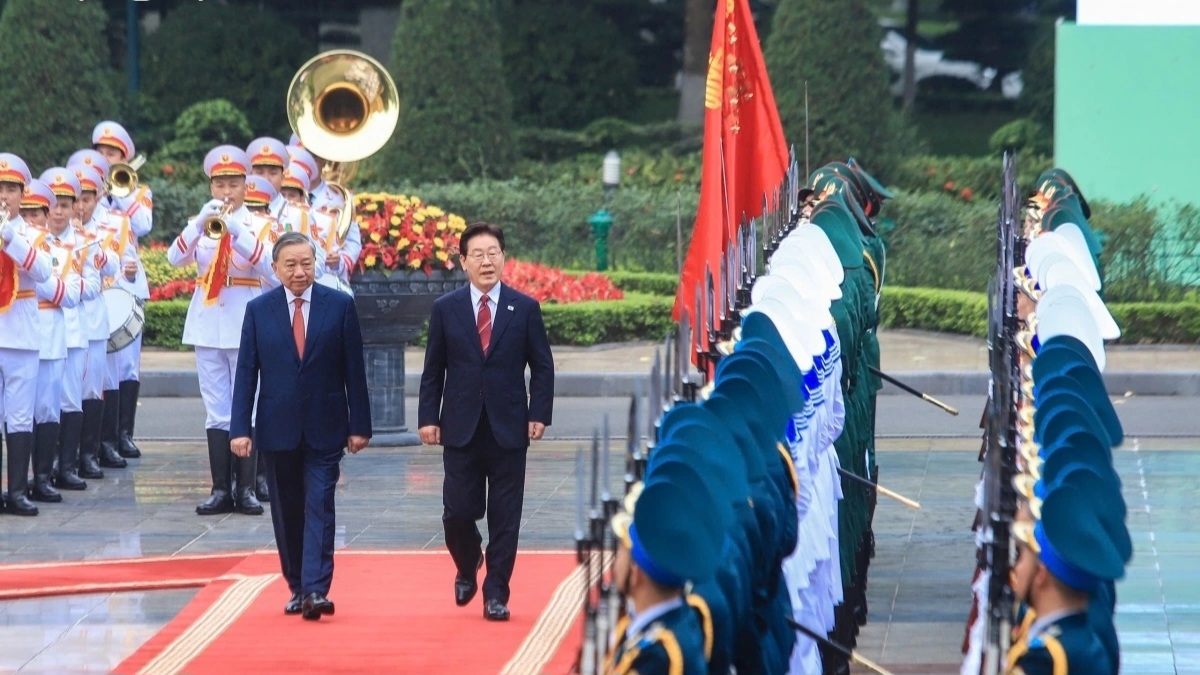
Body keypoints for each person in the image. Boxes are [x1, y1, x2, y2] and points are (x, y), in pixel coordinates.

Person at [229, 231, 371, 620]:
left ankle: (315, 590)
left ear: (316, 265)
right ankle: (296, 585)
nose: (299, 272)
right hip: (277, 428)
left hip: (326, 426)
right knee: (288, 511)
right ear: (275, 268)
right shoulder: (259, 310)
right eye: (290, 265)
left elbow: (354, 371)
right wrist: (240, 428)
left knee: (320, 504)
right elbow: (246, 373)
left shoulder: (339, 306)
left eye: (306, 263)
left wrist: (360, 425)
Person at [418, 221, 555, 621]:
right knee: (457, 512)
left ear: (503, 258)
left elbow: (542, 367)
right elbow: (433, 370)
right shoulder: (446, 309)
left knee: (505, 516)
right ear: (463, 261)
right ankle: (467, 562)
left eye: (493, 253)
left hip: (509, 427)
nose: (486, 261)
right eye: (477, 254)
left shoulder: (524, 308)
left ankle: (496, 593)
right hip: (460, 426)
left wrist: (538, 413)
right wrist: (428, 418)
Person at [167, 146, 276, 516]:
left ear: (246, 185)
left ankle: (246, 489)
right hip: (208, 324)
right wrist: (199, 224)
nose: (226, 192)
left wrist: (238, 233)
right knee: (216, 409)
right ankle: (220, 489)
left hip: (246, 323)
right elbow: (174, 258)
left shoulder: (260, 226)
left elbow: (273, 270)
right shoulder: (203, 223)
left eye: (233, 184)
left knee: (248, 405)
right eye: (219, 184)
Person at [0, 153, 54, 516]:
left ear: (23, 194)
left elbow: (45, 273)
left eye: (10, 189)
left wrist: (11, 240)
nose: (4, 195)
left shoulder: (33, 234)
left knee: (19, 416)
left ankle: (18, 491)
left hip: (20, 333)